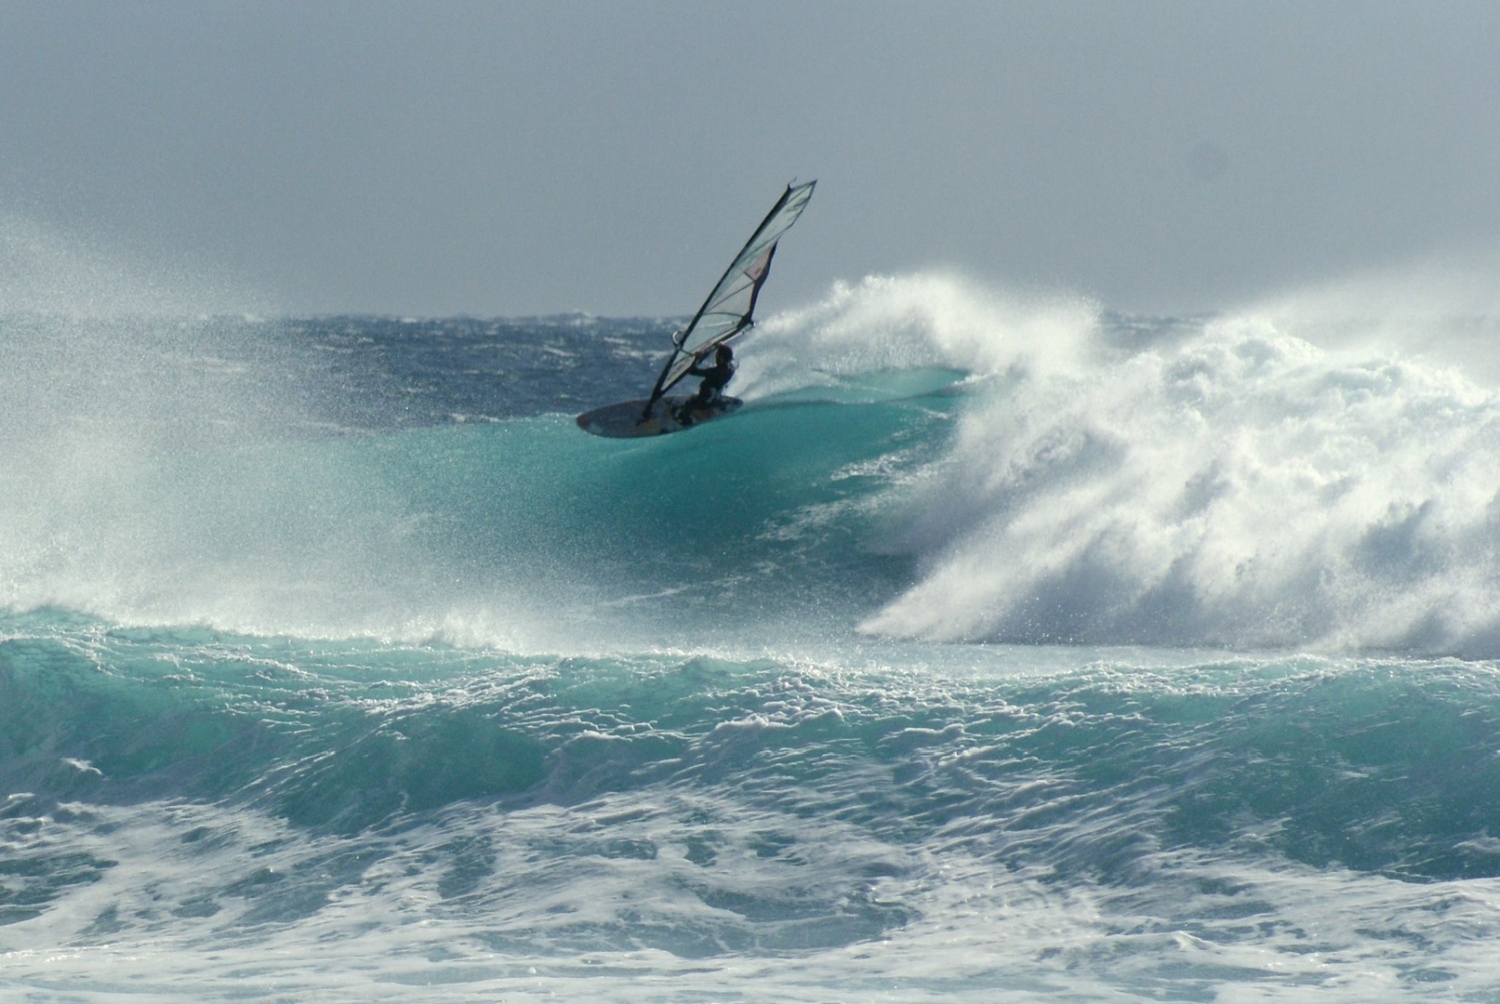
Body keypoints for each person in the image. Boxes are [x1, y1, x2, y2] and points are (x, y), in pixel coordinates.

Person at [676, 343, 736, 424]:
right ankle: (719, 404)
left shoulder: (715, 372)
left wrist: (696, 359)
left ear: (721, 358)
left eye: (717, 355)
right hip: (715, 397)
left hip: (705, 402)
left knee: (690, 404)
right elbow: (726, 355)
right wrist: (720, 347)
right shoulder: (731, 368)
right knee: (711, 393)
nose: (716, 357)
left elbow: (693, 371)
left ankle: (685, 419)